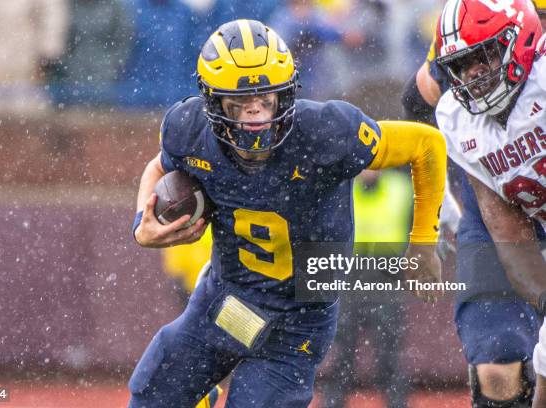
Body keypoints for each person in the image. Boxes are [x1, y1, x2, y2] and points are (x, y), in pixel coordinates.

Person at [129, 19, 446, 407]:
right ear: (213, 102)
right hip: (226, 296)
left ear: (287, 94)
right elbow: (161, 166)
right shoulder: (188, 128)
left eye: (266, 100)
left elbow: (427, 145)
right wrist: (142, 225)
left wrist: (424, 245)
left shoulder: (326, 131)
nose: (256, 116)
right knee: (153, 393)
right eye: (240, 105)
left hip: (298, 320)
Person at [401, 1, 546, 406]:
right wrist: (439, 194)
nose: (473, 76)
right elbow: (416, 102)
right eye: (464, 65)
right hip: (506, 199)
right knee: (497, 366)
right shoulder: (457, 110)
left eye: (483, 58)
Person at [317, 169, 413, 408]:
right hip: (348, 275)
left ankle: (397, 403)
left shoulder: (401, 188)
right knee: (341, 350)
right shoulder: (341, 187)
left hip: (386, 275)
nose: (371, 168)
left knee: (388, 352)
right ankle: (333, 403)